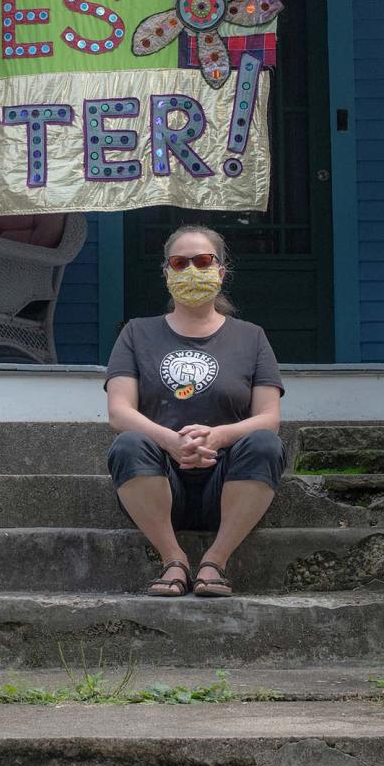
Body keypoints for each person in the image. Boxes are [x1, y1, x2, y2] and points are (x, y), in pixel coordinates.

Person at [105, 224, 285, 597]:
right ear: (167, 272)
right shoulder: (137, 333)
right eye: (179, 262)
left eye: (203, 261)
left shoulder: (251, 337)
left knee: (265, 443)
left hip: (228, 482)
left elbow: (269, 417)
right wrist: (171, 442)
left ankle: (214, 562)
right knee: (128, 444)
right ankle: (173, 559)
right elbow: (119, 412)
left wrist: (220, 437)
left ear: (220, 271)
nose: (191, 270)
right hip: (159, 479)